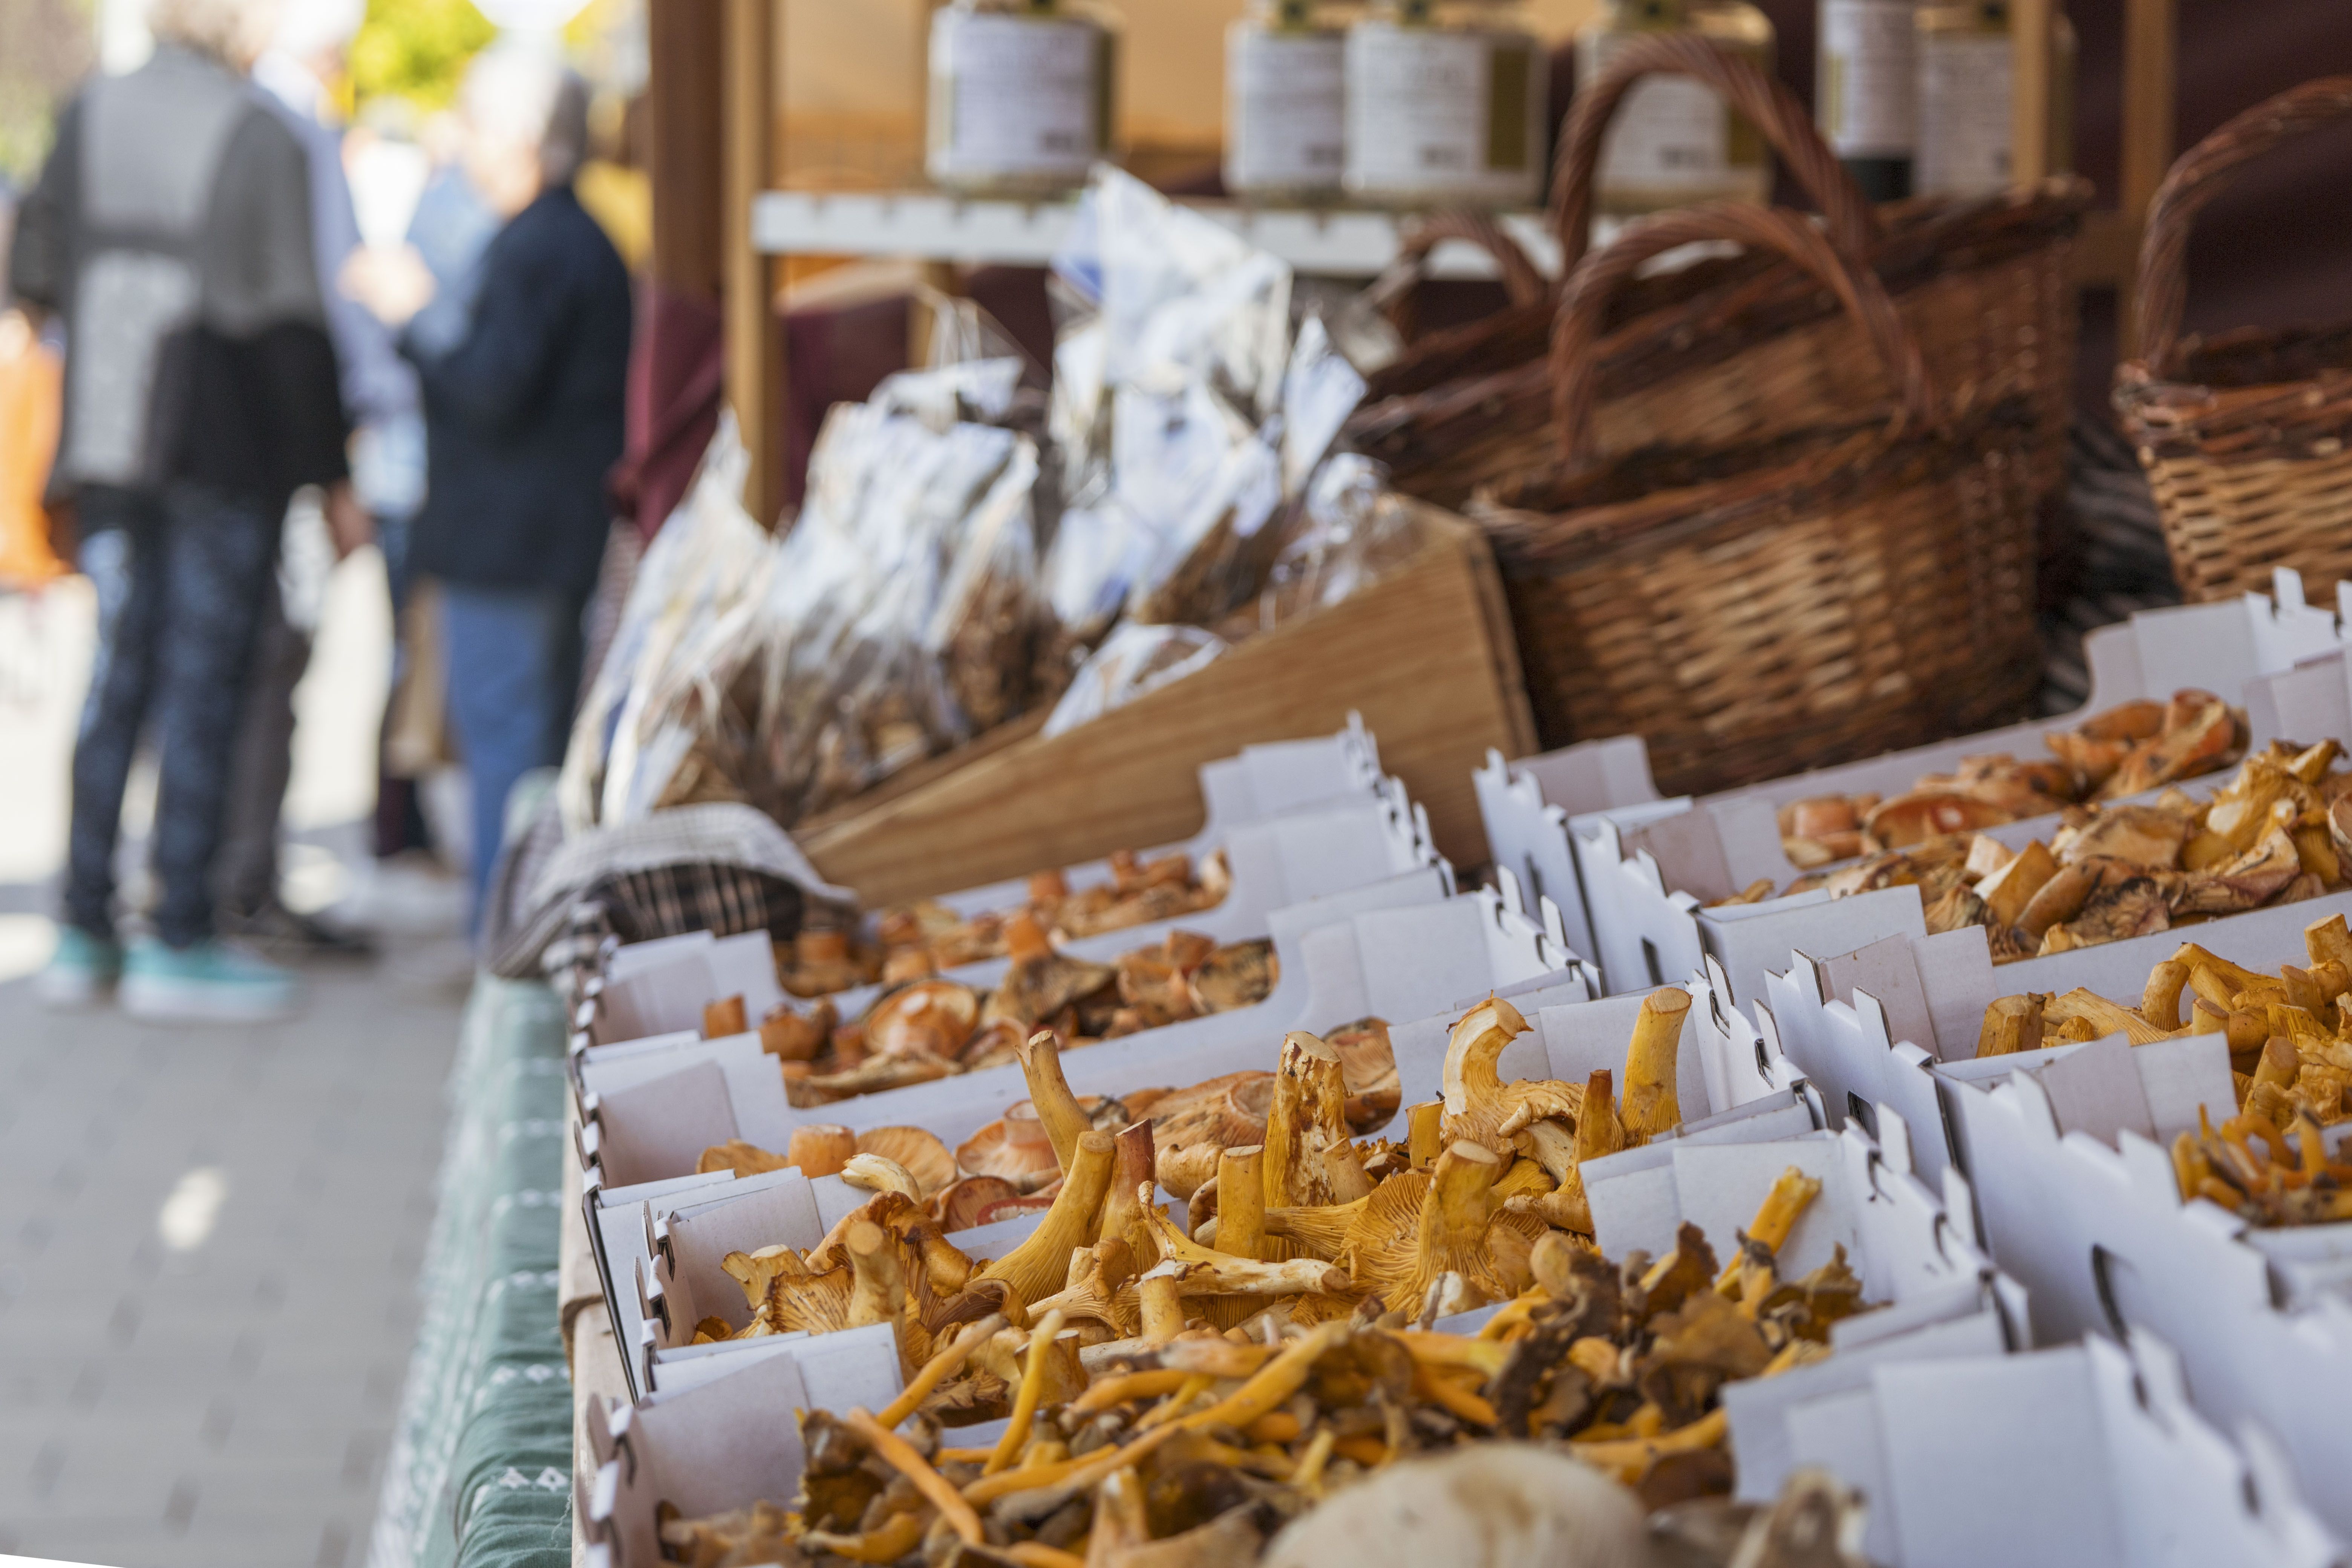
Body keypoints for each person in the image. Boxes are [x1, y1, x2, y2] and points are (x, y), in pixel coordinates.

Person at [12, 0, 359, 1020]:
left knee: (117, 671)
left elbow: (32, 270)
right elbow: (296, 327)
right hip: (222, 442)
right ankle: (180, 933)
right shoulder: (257, 129)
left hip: (108, 438)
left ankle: (83, 924)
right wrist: (334, 474)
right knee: (207, 676)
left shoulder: (89, 111)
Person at [345, 44, 631, 941]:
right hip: (540, 533)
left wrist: (414, 317)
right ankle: (517, 938)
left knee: (509, 747)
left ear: (519, 138)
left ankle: (505, 947)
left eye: (474, 126)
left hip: (514, 539)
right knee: (526, 742)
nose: (459, 146)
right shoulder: (564, 238)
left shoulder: (541, 242)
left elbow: (494, 385)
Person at [215, 0, 389, 954]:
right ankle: (242, 886)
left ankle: (238, 880)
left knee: (252, 666)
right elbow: (319, 307)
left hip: (239, 448)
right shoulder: (289, 130)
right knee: (268, 663)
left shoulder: (261, 120)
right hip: (273, 451)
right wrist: (335, 472)